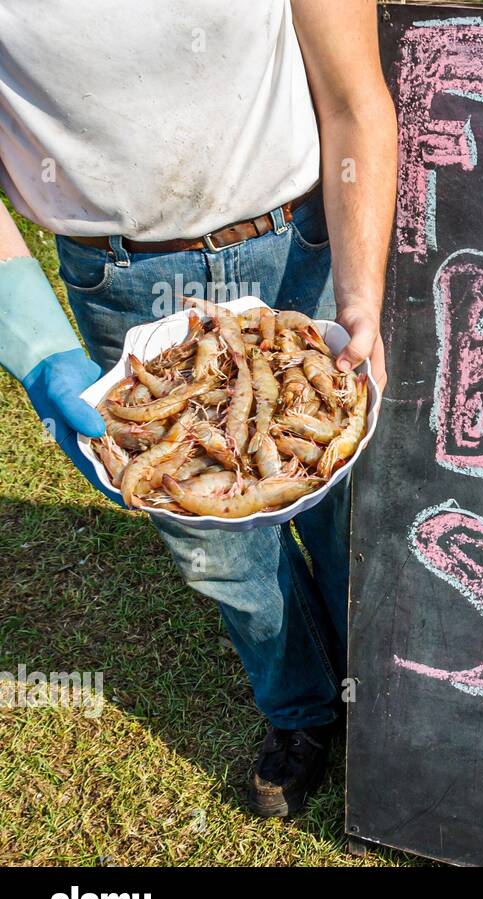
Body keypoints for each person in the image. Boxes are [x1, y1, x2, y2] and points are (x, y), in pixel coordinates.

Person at [0, 0, 397, 816]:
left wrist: (360, 292)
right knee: (212, 542)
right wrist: (39, 352)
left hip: (299, 243)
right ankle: (302, 711)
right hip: (120, 278)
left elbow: (356, 99)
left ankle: (385, 695)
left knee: (346, 509)